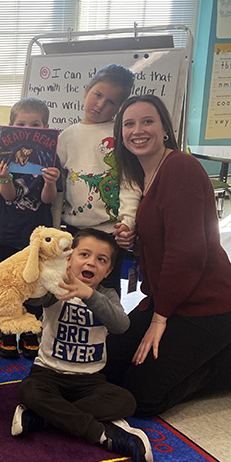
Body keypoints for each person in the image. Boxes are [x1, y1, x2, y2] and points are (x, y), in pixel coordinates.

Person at [104, 94, 231, 416]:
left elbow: (186, 254)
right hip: (169, 299)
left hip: (207, 307)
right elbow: (163, 235)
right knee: (107, 365)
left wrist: (160, 319)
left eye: (148, 121)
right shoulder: (142, 175)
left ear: (165, 129)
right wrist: (133, 238)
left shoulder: (180, 169)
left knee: (141, 399)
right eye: (129, 124)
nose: (138, 130)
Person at [12, 229, 153, 462]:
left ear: (108, 271)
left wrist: (89, 294)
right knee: (29, 391)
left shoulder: (107, 295)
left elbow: (121, 325)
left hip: (89, 380)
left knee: (125, 401)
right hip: (48, 374)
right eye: (84, 254)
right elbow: (33, 300)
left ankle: (43, 417)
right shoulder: (56, 288)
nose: (91, 262)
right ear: (69, 258)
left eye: (101, 260)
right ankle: (99, 433)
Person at [55, 64, 140, 293]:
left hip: (112, 233)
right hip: (74, 230)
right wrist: (54, 229)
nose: (101, 104)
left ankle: (108, 330)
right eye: (98, 95)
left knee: (107, 289)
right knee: (69, 284)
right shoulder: (66, 136)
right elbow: (59, 189)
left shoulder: (122, 134)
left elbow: (130, 183)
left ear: (120, 106)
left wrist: (128, 221)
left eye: (111, 101)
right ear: (86, 91)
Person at [0, 98, 62, 360]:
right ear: (11, 126)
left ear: (46, 128)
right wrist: (4, 178)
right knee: (7, 284)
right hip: (6, 233)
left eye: (36, 124)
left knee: (34, 286)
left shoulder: (51, 161)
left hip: (36, 237)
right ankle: (8, 330)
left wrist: (50, 181)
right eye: (21, 124)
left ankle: (30, 330)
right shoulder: (3, 160)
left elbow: (46, 200)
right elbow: (8, 197)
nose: (28, 128)